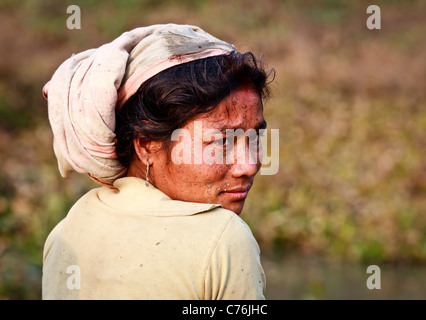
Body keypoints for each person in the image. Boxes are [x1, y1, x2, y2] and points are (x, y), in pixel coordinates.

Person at [42, 23, 274, 300]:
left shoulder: (63, 234)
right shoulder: (223, 239)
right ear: (146, 144)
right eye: (221, 142)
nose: (249, 165)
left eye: (254, 137)